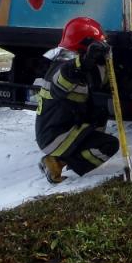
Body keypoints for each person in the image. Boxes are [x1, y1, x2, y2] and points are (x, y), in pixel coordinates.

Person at [35, 17, 119, 184]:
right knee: (109, 145)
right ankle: (57, 162)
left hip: (60, 130)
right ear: (86, 47)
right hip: (56, 135)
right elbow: (63, 79)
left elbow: (98, 81)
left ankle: (59, 158)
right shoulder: (63, 67)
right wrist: (83, 62)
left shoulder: (82, 67)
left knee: (99, 113)